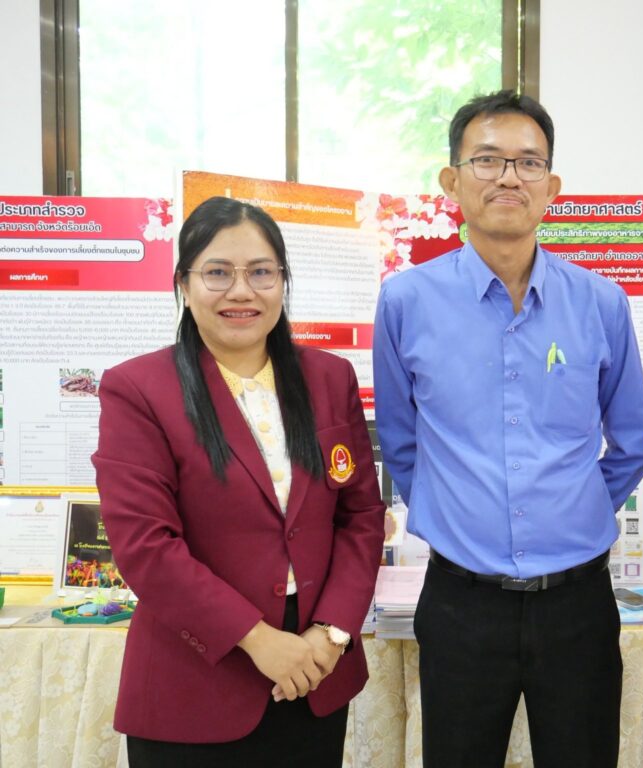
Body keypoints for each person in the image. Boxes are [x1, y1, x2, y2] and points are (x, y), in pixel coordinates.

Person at [372, 90, 643, 768]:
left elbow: (633, 442)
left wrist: (573, 506)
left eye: (529, 163)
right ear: (452, 181)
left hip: (578, 604)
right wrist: (457, 512)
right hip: (460, 602)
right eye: (488, 160)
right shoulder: (406, 301)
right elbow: (401, 444)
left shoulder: (601, 303)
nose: (509, 177)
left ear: (551, 187)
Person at [92, 197, 385, 766]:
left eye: (261, 272)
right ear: (184, 283)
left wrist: (331, 634)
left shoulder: (329, 377)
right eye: (218, 273)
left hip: (315, 673)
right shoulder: (138, 389)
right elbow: (146, 546)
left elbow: (361, 517)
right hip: (196, 679)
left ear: (283, 281)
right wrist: (259, 640)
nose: (241, 291)